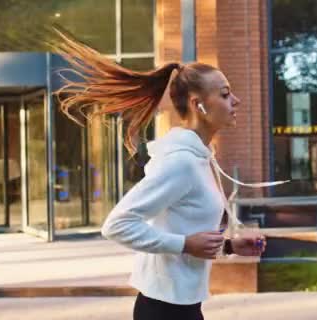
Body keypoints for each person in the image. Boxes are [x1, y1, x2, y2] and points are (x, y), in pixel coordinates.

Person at [53, 30, 287, 319]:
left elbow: (181, 226)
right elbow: (116, 225)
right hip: (163, 309)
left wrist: (228, 246)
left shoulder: (200, 158)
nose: (235, 101)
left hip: (184, 305)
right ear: (196, 104)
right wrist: (185, 244)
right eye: (225, 94)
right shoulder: (181, 163)